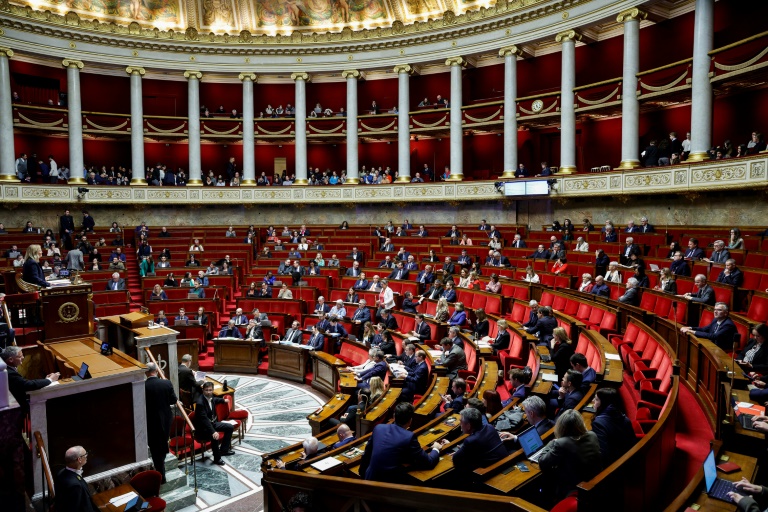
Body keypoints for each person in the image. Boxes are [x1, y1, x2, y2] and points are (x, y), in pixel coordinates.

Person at [359, 402, 441, 483]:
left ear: (394, 417)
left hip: (369, 477)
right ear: (410, 421)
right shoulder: (409, 437)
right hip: (389, 485)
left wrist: (362, 475)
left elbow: (367, 454)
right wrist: (435, 449)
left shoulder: (379, 428)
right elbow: (428, 462)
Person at [537, 409, 602, 503]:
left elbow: (542, 462)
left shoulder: (561, 443)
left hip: (573, 487)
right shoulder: (592, 435)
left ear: (562, 427)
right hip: (593, 481)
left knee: (546, 477)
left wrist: (551, 444)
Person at [450, 407, 508, 482]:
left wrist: (460, 452)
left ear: (468, 425)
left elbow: (456, 459)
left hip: (489, 472)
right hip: (503, 463)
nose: (460, 423)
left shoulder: (470, 441)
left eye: (461, 421)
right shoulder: (490, 427)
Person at [144, 362, 177, 482]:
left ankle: (160, 472)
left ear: (146, 372)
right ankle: (161, 465)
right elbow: (173, 400)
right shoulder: (166, 383)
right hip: (165, 419)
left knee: (154, 446)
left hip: (150, 420)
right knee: (163, 442)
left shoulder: (142, 386)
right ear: (157, 370)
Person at [590, 387, 637, 466]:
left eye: (597, 399)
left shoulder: (598, 424)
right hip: (628, 461)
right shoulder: (625, 418)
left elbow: (603, 454)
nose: (593, 401)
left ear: (605, 403)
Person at [193, 381, 235, 465]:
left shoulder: (211, 397)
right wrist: (213, 431)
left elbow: (215, 399)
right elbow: (204, 419)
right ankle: (217, 458)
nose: (209, 392)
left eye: (210, 390)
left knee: (230, 427)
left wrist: (223, 400)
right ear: (203, 390)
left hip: (212, 424)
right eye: (206, 390)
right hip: (203, 428)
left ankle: (224, 450)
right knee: (215, 436)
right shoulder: (200, 403)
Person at [53, 446, 99, 512]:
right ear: (79, 459)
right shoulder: (75, 486)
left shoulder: (60, 472)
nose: (86, 456)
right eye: (85, 455)